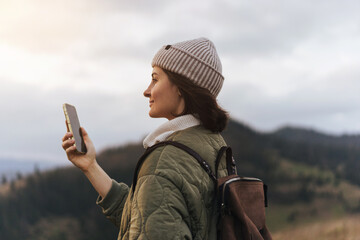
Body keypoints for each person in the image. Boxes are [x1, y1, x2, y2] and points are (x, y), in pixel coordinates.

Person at [62, 37, 229, 240]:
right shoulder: (215, 146)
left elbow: (154, 216)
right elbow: (148, 215)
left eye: (155, 79)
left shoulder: (164, 162)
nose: (146, 90)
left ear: (181, 88)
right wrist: (91, 166)